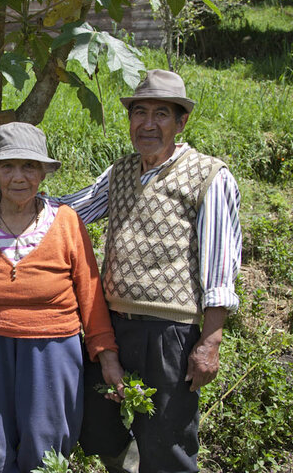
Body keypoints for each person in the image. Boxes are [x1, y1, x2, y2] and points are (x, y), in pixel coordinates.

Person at [60, 69, 242, 473]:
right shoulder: (120, 172)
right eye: (139, 112)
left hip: (170, 334)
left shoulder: (209, 176)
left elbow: (220, 268)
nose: (147, 123)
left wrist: (210, 341)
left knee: (168, 441)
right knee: (94, 421)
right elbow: (71, 210)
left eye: (162, 113)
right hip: (111, 326)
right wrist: (16, 198)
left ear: (181, 122)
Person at [0, 122, 124, 473]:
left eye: (29, 166)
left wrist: (107, 359)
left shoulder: (68, 222)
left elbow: (91, 299)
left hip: (53, 349)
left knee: (46, 446)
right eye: (7, 166)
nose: (18, 177)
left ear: (43, 172)